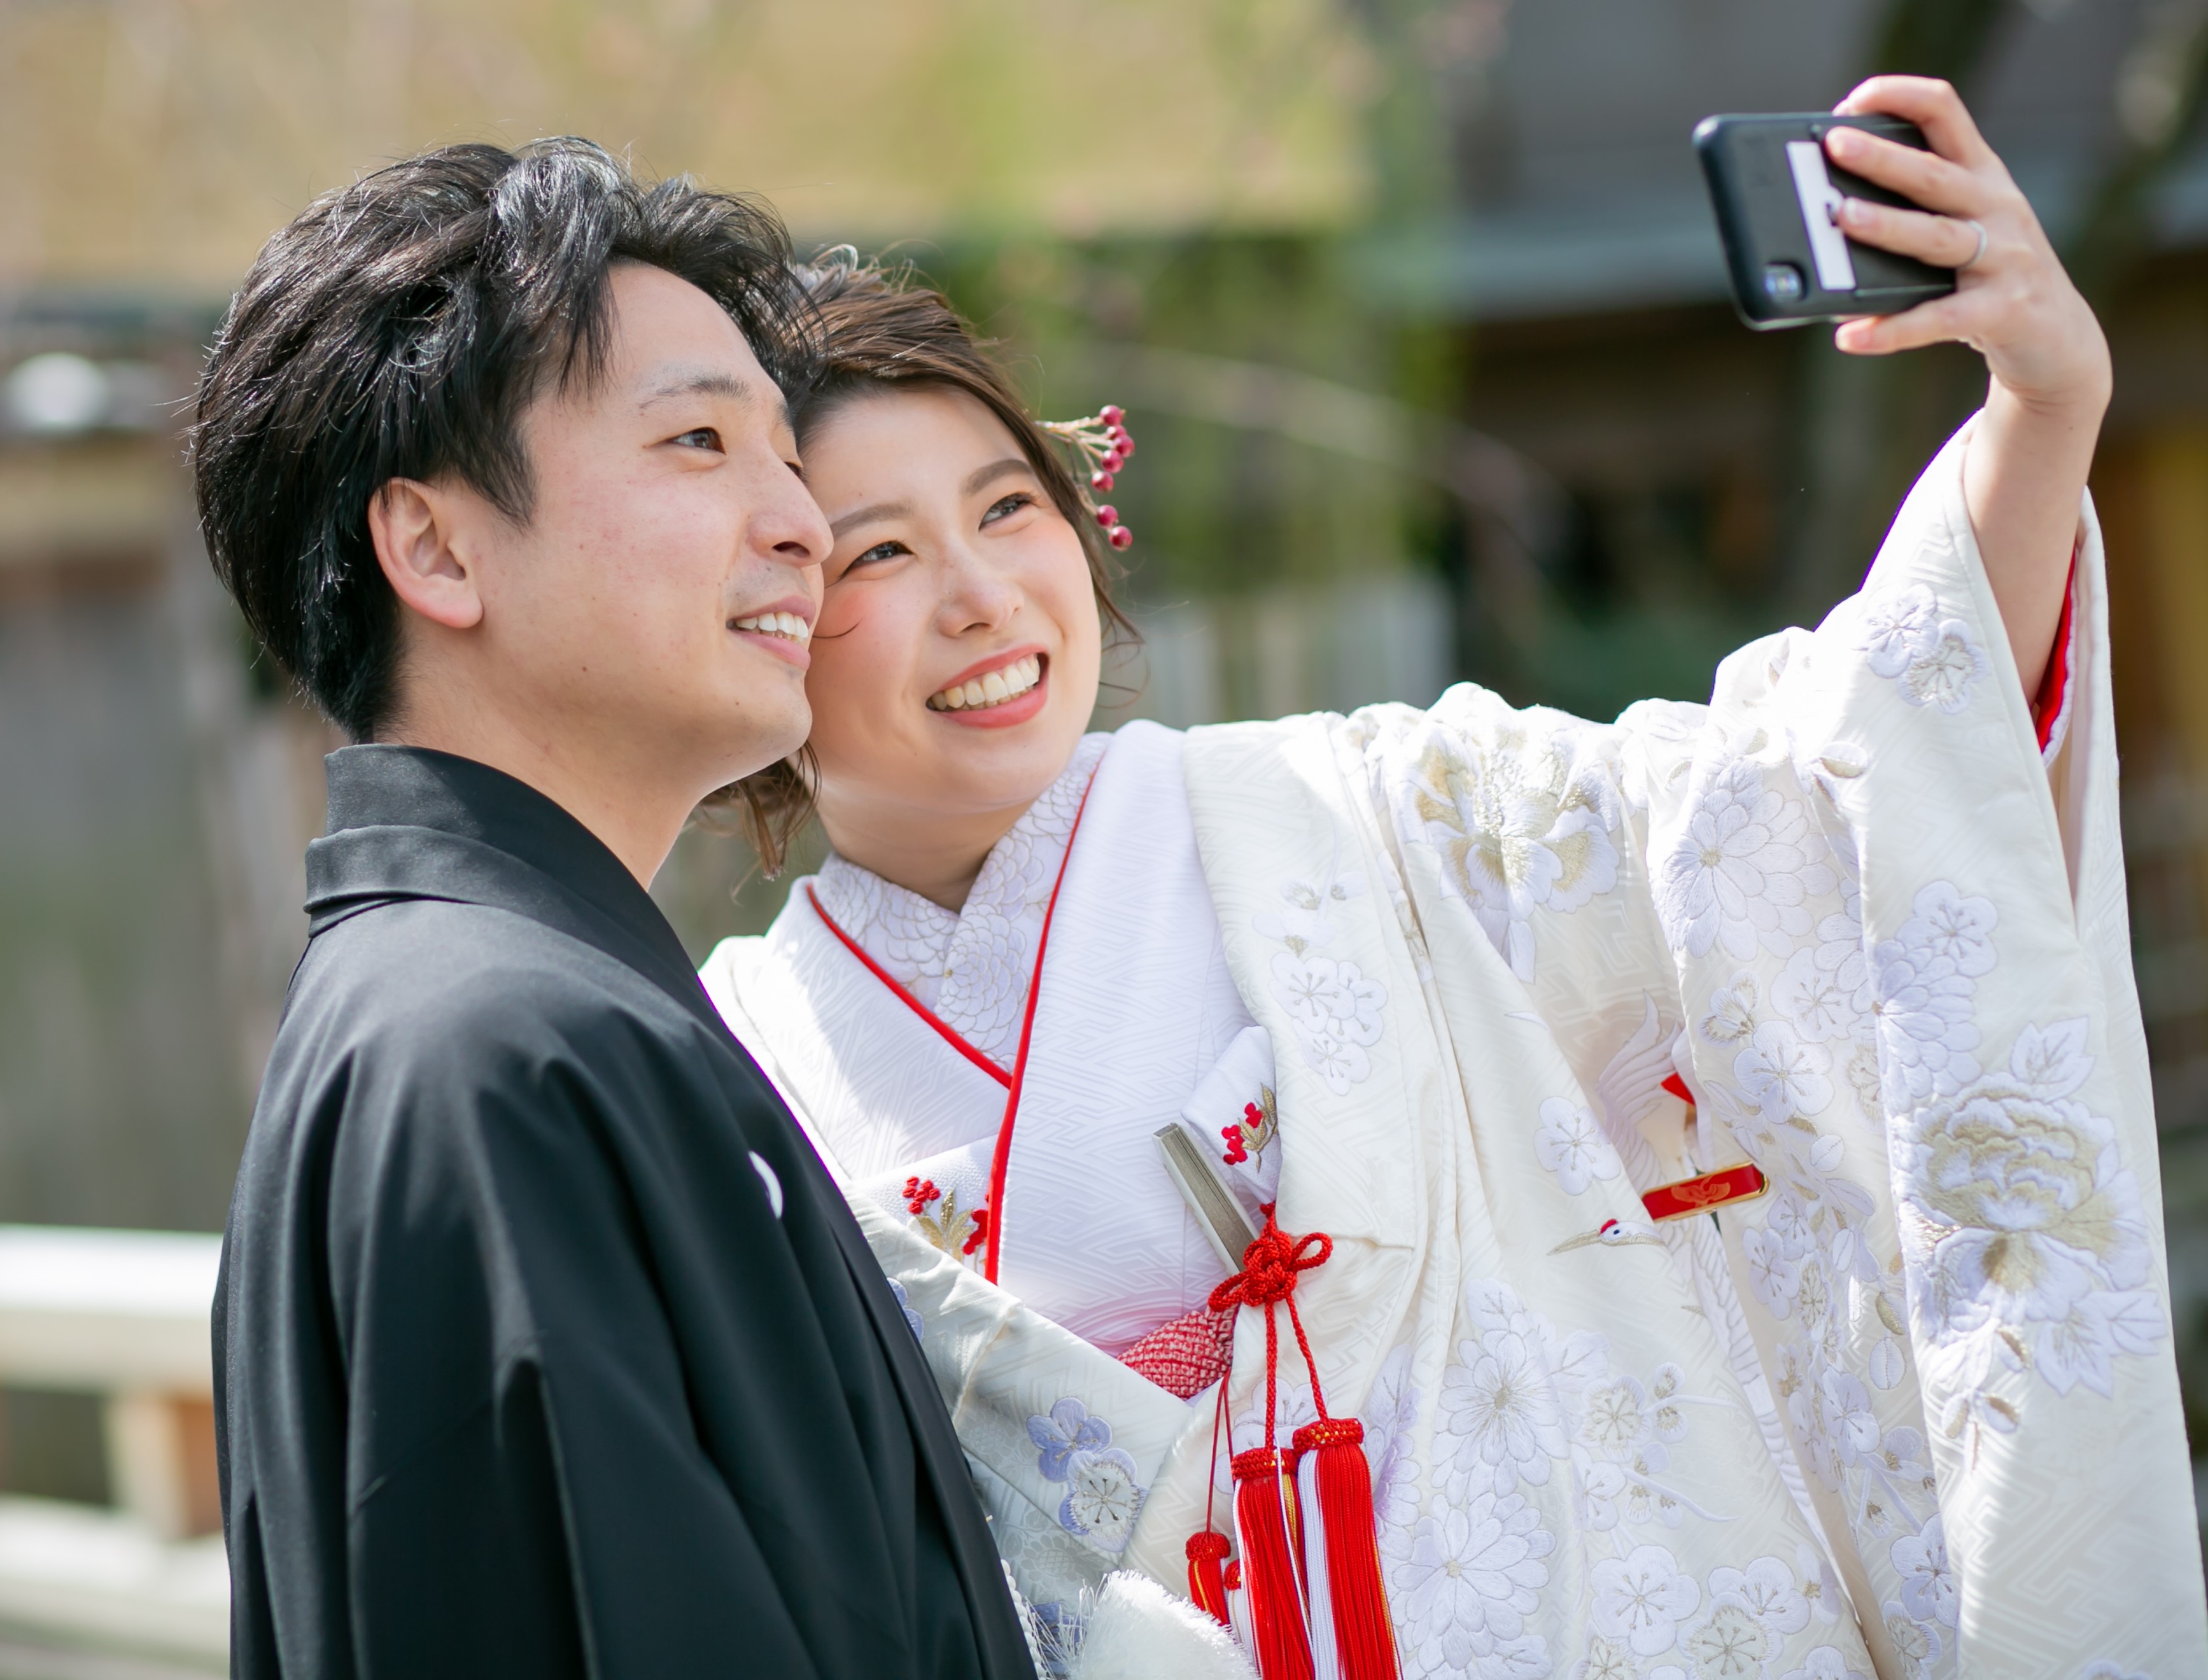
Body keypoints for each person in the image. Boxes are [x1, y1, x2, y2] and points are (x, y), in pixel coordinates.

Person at [701, 79, 2207, 1677]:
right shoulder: (728, 1064)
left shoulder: (1365, 815)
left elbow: (1813, 795)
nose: (983, 594)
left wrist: (2041, 408)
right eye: (878, 552)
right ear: (758, 617)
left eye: (1008, 507)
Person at [192, 140, 1038, 1679]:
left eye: (785, 454)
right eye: (698, 442)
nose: (801, 524)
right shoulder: (493, 1051)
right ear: (436, 547)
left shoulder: (479, 1008)